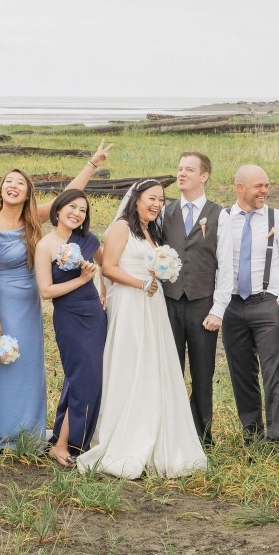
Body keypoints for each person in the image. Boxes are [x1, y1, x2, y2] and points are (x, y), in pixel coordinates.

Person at [0, 140, 114, 452]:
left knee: (30, 369)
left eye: (20, 184)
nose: (13, 187)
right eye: (8, 183)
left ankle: (30, 429)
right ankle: (4, 433)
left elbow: (69, 199)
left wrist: (92, 164)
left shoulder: (31, 220)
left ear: (28, 193)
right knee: (7, 366)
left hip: (30, 306)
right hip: (4, 304)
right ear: (1, 189)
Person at [77, 179, 208, 479]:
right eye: (152, 198)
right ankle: (124, 434)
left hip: (152, 303)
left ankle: (157, 430)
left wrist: (162, 272)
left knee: (153, 365)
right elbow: (108, 267)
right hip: (130, 301)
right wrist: (142, 283)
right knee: (130, 362)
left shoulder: (151, 232)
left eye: (161, 200)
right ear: (136, 200)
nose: (157, 204)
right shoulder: (122, 227)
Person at [212, 165, 279, 446]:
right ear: (240, 188)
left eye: (266, 185)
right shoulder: (222, 218)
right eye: (258, 186)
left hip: (267, 304)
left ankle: (278, 438)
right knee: (241, 372)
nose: (264, 191)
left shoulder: (278, 218)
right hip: (233, 305)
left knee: (275, 373)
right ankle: (252, 432)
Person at [34, 189, 107, 466]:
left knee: (89, 376)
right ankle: (63, 443)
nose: (77, 213)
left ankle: (70, 438)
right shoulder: (45, 245)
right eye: (72, 207)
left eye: (83, 210)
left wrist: (102, 290)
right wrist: (82, 280)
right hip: (69, 316)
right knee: (80, 377)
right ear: (58, 210)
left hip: (94, 314)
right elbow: (46, 290)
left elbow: (105, 263)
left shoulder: (88, 239)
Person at [161, 152, 227, 446]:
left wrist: (218, 309)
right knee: (170, 369)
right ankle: (171, 431)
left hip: (203, 304)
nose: (182, 174)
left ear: (204, 176)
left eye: (189, 169)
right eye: (179, 169)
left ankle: (201, 435)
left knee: (202, 372)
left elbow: (226, 266)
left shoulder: (219, 214)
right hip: (169, 301)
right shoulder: (166, 211)